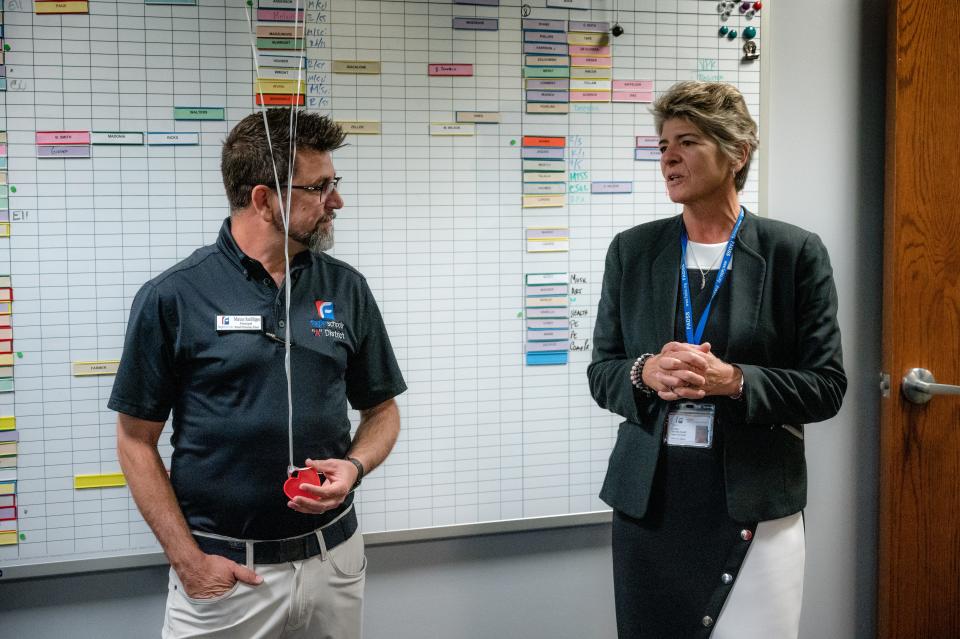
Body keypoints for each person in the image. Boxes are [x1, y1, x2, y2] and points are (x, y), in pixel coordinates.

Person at [110, 109, 406, 638]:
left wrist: (355, 467)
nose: (336, 201)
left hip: (334, 562)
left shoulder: (347, 289)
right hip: (227, 578)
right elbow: (135, 441)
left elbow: (382, 411)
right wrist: (188, 562)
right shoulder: (174, 296)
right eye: (319, 188)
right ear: (264, 199)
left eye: (334, 183)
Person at [587, 81, 846, 638]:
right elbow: (602, 371)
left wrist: (735, 381)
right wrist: (645, 372)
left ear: (737, 153)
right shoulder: (632, 252)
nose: (669, 157)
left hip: (753, 507)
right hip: (649, 505)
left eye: (688, 141)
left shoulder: (793, 253)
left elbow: (826, 386)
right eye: (662, 145)